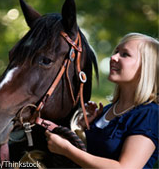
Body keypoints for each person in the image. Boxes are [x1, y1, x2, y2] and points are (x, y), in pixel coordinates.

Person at [45, 32, 159, 168]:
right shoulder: (106, 111)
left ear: (145, 67)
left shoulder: (150, 114)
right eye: (116, 51)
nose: (114, 57)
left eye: (125, 54)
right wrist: (81, 128)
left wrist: (66, 149)